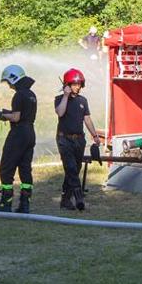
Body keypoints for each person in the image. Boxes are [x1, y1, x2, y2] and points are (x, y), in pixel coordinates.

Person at [0, 64, 37, 213]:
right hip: (30, 133)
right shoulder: (31, 94)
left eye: (8, 82)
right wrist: (6, 111)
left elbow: (16, 117)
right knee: (25, 169)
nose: (9, 86)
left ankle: (5, 203)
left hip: (19, 134)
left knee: (6, 169)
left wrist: (0, 115)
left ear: (13, 78)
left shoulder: (19, 95)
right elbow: (23, 113)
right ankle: (24, 204)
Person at [53, 68, 102, 210]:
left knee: (74, 169)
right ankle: (79, 198)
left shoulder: (83, 101)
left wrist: (95, 135)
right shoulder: (59, 99)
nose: (77, 87)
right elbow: (60, 112)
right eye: (74, 84)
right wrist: (66, 96)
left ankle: (65, 200)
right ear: (67, 85)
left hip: (79, 140)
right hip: (64, 139)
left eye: (79, 84)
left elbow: (87, 119)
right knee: (71, 168)